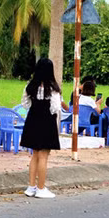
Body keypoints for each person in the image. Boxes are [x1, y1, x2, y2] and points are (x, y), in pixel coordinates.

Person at [20, 58, 61, 199]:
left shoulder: (30, 86)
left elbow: (25, 104)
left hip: (32, 120)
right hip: (46, 122)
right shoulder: (53, 88)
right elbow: (55, 108)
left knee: (35, 155)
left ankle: (31, 187)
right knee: (44, 156)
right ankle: (41, 188)